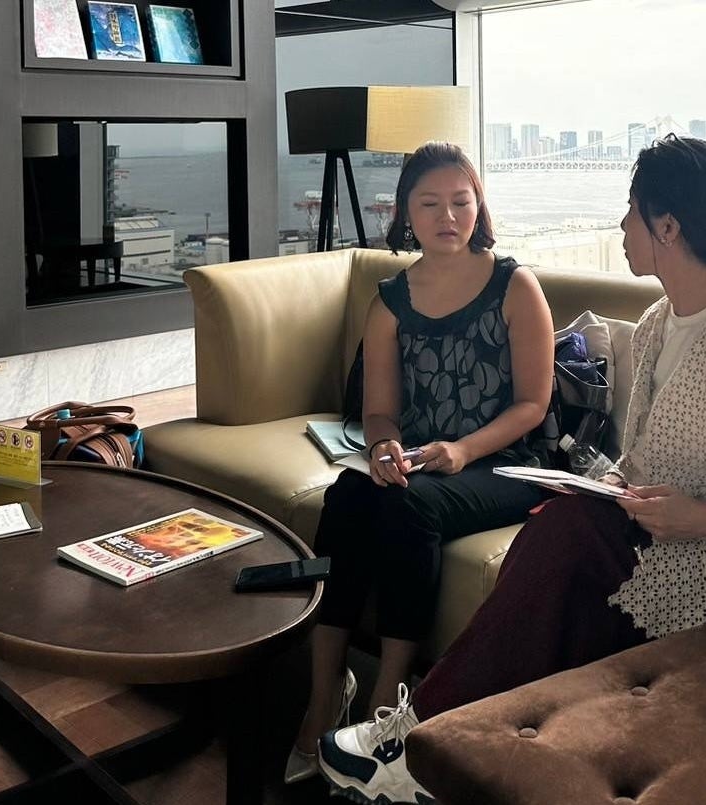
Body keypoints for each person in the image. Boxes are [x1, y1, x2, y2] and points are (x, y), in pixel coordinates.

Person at [317, 135, 706, 805]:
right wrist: (611, 485)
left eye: (632, 211)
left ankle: (418, 739)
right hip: (662, 541)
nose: (622, 226)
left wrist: (703, 516)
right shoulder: (658, 322)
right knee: (559, 526)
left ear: (668, 227)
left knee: (568, 538)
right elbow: (648, 462)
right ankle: (445, 748)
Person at [284, 142, 555, 785]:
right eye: (430, 204)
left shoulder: (515, 286)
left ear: (479, 207)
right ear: (405, 212)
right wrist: (383, 447)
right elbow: (380, 412)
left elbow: (533, 405)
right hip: (424, 461)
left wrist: (463, 450)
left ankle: (388, 702)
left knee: (406, 505)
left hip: (506, 463)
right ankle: (326, 692)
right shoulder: (390, 301)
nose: (448, 217)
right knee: (349, 495)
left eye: (461, 202)